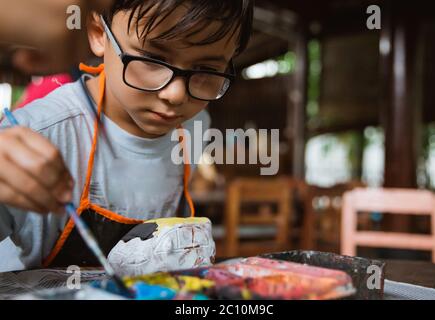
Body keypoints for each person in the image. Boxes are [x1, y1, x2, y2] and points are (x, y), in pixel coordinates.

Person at [0, 0, 254, 270]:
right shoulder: (38, 133)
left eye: (207, 69)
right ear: (99, 33)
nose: (176, 94)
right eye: (153, 59)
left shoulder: (193, 126)